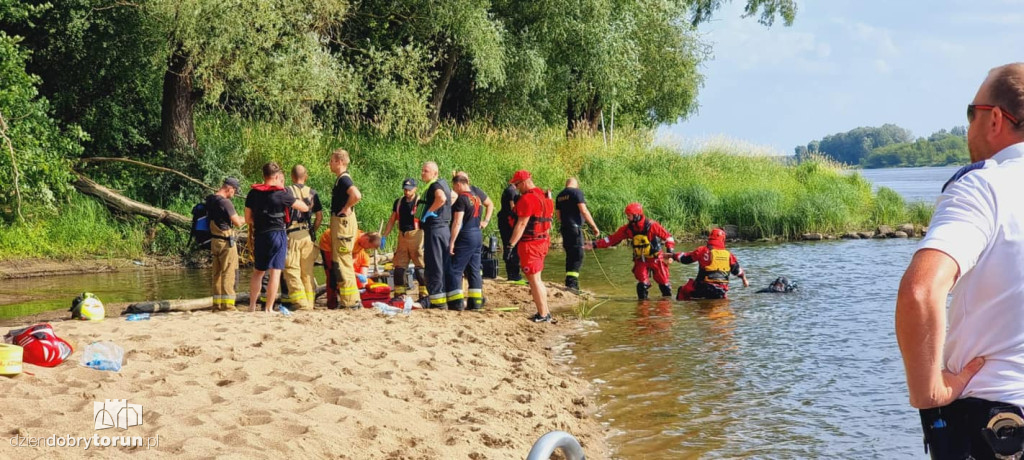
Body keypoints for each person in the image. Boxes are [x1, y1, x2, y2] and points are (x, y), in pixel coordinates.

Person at [896, 63, 1024, 459]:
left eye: (971, 114)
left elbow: (920, 292)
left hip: (995, 423)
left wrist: (928, 390)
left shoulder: (985, 186)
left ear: (995, 120)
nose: (968, 128)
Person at [245, 162, 309, 313]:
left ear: (264, 175)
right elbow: (304, 208)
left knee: (258, 272)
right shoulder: (281, 194)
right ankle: (268, 308)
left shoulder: (253, 193)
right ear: (276, 176)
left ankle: (252, 307)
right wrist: (306, 202)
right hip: (277, 234)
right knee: (275, 271)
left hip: (260, 235)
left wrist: (261, 220)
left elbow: (248, 219)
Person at [586, 203, 676, 300]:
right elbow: (612, 239)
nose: (627, 218)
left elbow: (668, 237)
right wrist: (594, 244)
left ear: (636, 215)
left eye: (629, 215)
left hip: (657, 259)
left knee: (665, 286)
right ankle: (643, 310)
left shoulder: (652, 225)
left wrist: (670, 254)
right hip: (641, 260)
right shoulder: (628, 229)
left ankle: (665, 309)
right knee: (642, 286)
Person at [507, 170, 555, 322]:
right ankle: (545, 311)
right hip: (542, 241)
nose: (516, 187)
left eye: (517, 184)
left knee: (534, 280)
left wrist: (510, 245)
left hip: (531, 244)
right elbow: (548, 224)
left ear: (524, 182)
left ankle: (543, 314)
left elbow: (521, 224)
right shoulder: (545, 197)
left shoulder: (528, 199)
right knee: (538, 279)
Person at [665, 228, 748, 300]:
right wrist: (744, 279)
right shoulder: (729, 255)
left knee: (682, 291)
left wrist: (673, 255)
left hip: (702, 288)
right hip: (720, 291)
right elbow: (737, 271)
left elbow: (685, 259)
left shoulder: (702, 250)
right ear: (723, 240)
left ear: (710, 238)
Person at [282, 165, 322, 310]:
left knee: (292, 269)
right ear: (306, 176)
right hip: (307, 234)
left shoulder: (286, 191)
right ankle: (310, 304)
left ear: (292, 176)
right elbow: (319, 217)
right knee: (307, 272)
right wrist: (312, 231)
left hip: (292, 233)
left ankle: (300, 303)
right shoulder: (313, 193)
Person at [382, 178, 427, 300]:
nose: (406, 192)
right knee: (399, 267)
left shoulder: (420, 202)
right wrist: (384, 236)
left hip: (416, 235)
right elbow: (392, 220)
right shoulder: (399, 202)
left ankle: (424, 294)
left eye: (409, 189)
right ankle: (399, 294)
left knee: (420, 267)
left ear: (415, 189)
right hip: (402, 236)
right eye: (405, 189)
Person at [446, 174, 485, 311]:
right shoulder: (477, 198)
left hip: (466, 235)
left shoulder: (462, 199)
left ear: (458, 184)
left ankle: (456, 302)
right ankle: (476, 302)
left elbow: (457, 222)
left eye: (454, 187)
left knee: (455, 269)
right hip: (477, 234)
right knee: (474, 269)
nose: (454, 190)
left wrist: (452, 241)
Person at [329, 149, 362, 309]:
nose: (330, 164)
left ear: (340, 162)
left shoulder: (344, 179)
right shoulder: (340, 179)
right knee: (340, 261)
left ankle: (351, 301)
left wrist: (347, 207)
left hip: (343, 224)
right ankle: (348, 300)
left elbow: (356, 195)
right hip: (341, 224)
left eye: (332, 161)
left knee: (342, 261)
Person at [555, 177, 601, 292]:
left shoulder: (559, 196)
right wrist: (594, 227)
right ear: (576, 185)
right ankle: (572, 285)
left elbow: (558, 216)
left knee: (570, 254)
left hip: (565, 228)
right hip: (574, 228)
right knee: (577, 255)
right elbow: (584, 211)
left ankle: (569, 282)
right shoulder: (577, 192)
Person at [207, 177, 245, 311]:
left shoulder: (210, 199)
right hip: (226, 242)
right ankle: (228, 305)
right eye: (234, 191)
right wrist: (247, 218)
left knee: (216, 274)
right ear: (229, 188)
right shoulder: (225, 202)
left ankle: (216, 304)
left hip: (214, 241)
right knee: (229, 272)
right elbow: (237, 223)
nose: (234, 193)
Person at [418, 161, 452, 309]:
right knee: (443, 263)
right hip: (443, 228)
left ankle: (437, 302)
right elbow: (453, 197)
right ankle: (444, 297)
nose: (422, 173)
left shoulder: (435, 185)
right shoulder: (443, 184)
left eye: (426, 171)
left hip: (435, 228)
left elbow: (442, 198)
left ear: (435, 173)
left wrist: (429, 211)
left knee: (434, 264)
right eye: (422, 170)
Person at [497, 179, 524, 284]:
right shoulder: (512, 191)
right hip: (508, 222)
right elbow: (513, 208)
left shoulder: (509, 190)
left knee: (509, 246)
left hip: (505, 221)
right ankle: (514, 276)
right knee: (512, 246)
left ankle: (512, 275)